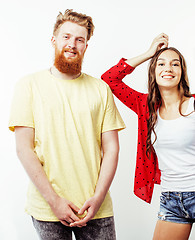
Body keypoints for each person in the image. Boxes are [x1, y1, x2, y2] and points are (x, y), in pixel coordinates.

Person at [9, 9, 125, 240]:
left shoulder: (100, 89)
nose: (72, 44)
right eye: (66, 36)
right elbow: (24, 148)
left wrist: (99, 197)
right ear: (54, 40)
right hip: (47, 207)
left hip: (96, 207)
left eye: (79, 39)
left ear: (86, 46)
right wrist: (54, 201)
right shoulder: (28, 85)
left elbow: (111, 148)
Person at [101, 33, 195, 240]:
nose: (168, 69)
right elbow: (110, 79)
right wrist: (148, 53)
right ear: (153, 72)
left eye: (175, 64)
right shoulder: (145, 106)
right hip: (172, 198)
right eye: (160, 64)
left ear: (182, 72)